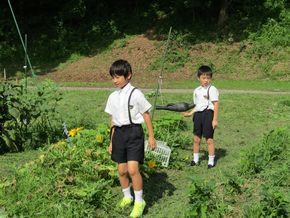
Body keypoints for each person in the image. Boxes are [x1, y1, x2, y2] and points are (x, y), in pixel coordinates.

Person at [105, 59, 156, 217]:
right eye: (113, 77)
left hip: (134, 132)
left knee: (133, 170)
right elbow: (113, 120)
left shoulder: (136, 94)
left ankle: (139, 202)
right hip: (119, 134)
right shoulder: (113, 96)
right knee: (121, 171)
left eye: (118, 77)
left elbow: (146, 115)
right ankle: (127, 196)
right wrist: (111, 141)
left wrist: (151, 137)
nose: (115, 80)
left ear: (128, 76)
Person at [182, 65, 219, 169]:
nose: (206, 80)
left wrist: (215, 119)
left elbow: (216, 104)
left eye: (208, 78)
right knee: (196, 138)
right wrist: (190, 113)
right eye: (203, 78)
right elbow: (197, 105)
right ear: (198, 78)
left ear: (210, 78)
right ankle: (195, 159)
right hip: (198, 115)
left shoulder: (212, 89)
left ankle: (211, 161)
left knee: (209, 139)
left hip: (208, 115)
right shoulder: (196, 90)